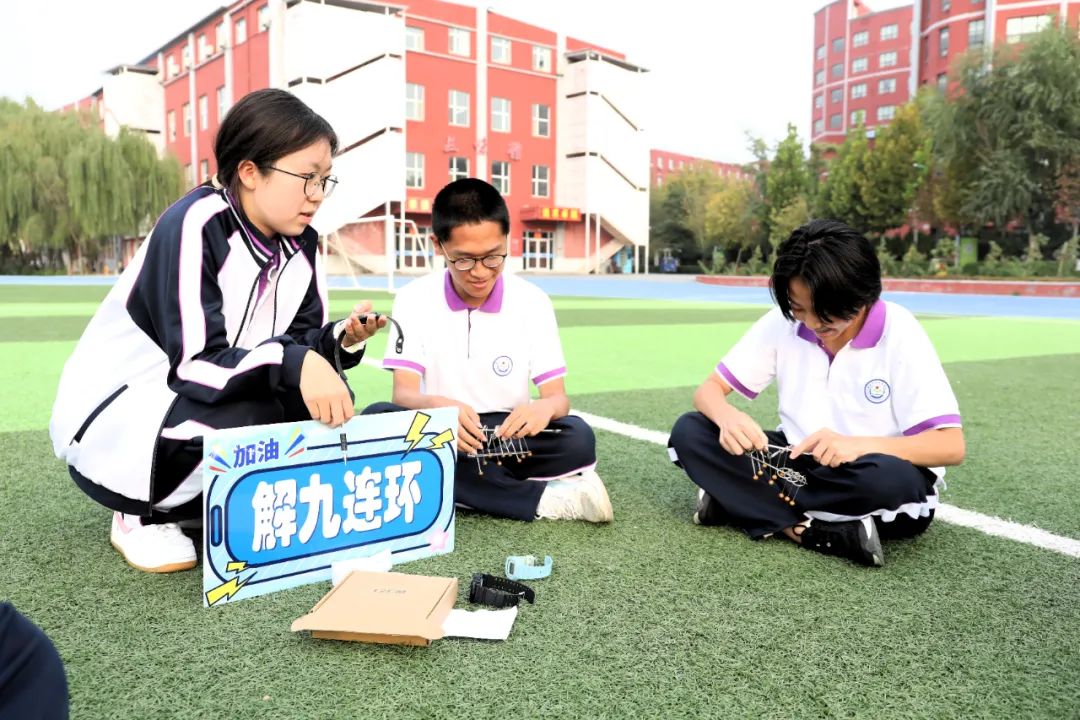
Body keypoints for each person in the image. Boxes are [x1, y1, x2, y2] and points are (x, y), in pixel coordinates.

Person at [49, 89, 385, 573]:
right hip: (128, 412)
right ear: (249, 172)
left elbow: (298, 343)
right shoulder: (196, 223)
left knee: (325, 399)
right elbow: (195, 366)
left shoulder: (302, 243)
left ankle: (206, 499)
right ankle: (141, 512)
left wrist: (337, 342)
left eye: (324, 180)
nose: (316, 194)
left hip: (210, 391)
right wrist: (296, 362)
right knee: (252, 411)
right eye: (307, 177)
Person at [668, 219, 965, 566]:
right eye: (798, 308)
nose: (811, 323)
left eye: (826, 312)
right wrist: (727, 416)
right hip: (796, 461)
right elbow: (708, 392)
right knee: (691, 431)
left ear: (864, 294)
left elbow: (950, 446)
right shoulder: (783, 324)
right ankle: (811, 531)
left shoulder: (899, 331)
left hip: (866, 469)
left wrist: (856, 445)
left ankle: (738, 500)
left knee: (892, 481)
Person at [363, 178, 612, 523]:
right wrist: (437, 407)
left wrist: (542, 408)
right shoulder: (412, 298)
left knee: (577, 438)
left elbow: (558, 398)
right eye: (464, 260)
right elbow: (403, 394)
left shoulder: (533, 302)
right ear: (438, 246)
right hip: (442, 430)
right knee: (377, 419)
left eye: (493, 257)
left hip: (508, 435)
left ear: (507, 240)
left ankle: (453, 485)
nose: (480, 273)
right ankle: (544, 500)